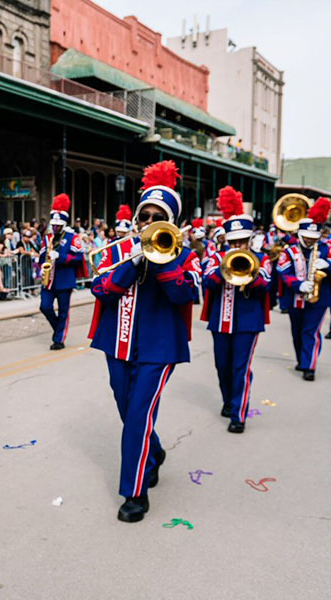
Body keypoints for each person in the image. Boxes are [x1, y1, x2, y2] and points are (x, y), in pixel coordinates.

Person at [88, 160, 200, 523]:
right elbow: (100, 290)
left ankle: (135, 492)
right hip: (116, 344)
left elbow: (185, 296)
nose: (147, 222)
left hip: (160, 348)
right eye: (144, 215)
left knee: (138, 415)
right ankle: (153, 453)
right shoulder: (117, 251)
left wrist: (162, 259)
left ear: (171, 222)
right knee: (127, 409)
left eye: (157, 216)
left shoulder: (185, 254)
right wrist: (133, 263)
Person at [201, 187, 271, 433]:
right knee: (222, 366)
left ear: (250, 240)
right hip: (220, 320)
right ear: (227, 240)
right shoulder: (215, 257)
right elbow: (208, 282)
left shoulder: (261, 259)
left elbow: (265, 285)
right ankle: (228, 402)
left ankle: (238, 415)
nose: (239, 245)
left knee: (241, 368)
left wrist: (248, 270)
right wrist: (225, 266)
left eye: (243, 241)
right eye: (234, 241)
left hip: (248, 322)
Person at [276, 197, 331, 381]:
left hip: (320, 298)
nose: (309, 240)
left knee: (311, 331)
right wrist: (298, 284)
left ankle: (310, 367)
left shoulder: (326, 249)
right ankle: (302, 360)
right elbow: (283, 272)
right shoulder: (289, 251)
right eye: (306, 237)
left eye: (313, 238)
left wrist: (329, 265)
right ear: (299, 235)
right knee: (297, 331)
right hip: (295, 298)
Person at [38, 194, 88, 350]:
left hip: (65, 279)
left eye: (57, 226)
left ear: (64, 224)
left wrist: (60, 256)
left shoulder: (73, 238)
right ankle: (59, 328)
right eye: (53, 225)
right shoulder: (48, 238)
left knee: (64, 311)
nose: (55, 228)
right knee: (45, 307)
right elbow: (41, 256)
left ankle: (59, 339)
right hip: (49, 279)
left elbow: (79, 258)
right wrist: (43, 258)